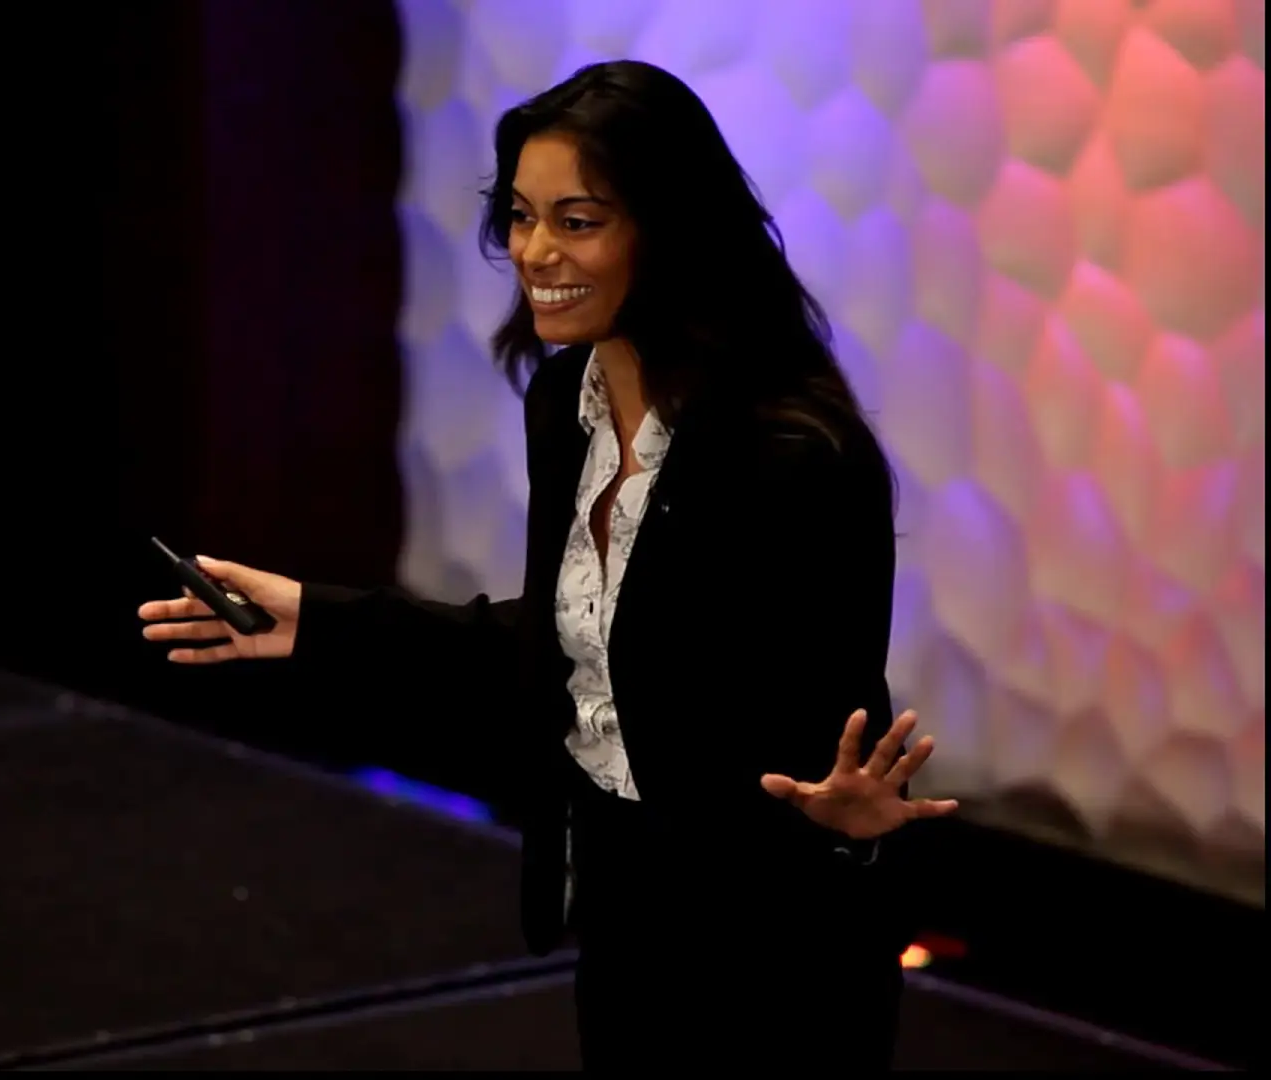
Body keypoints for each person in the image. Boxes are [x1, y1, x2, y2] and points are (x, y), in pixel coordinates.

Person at [138, 60, 959, 1072]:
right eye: (522, 217)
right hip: (618, 914)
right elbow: (572, 645)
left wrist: (850, 836)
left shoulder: (795, 457)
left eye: (578, 221)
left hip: (773, 950)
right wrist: (317, 618)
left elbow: (831, 740)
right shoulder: (564, 402)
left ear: (669, 230)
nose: (534, 251)